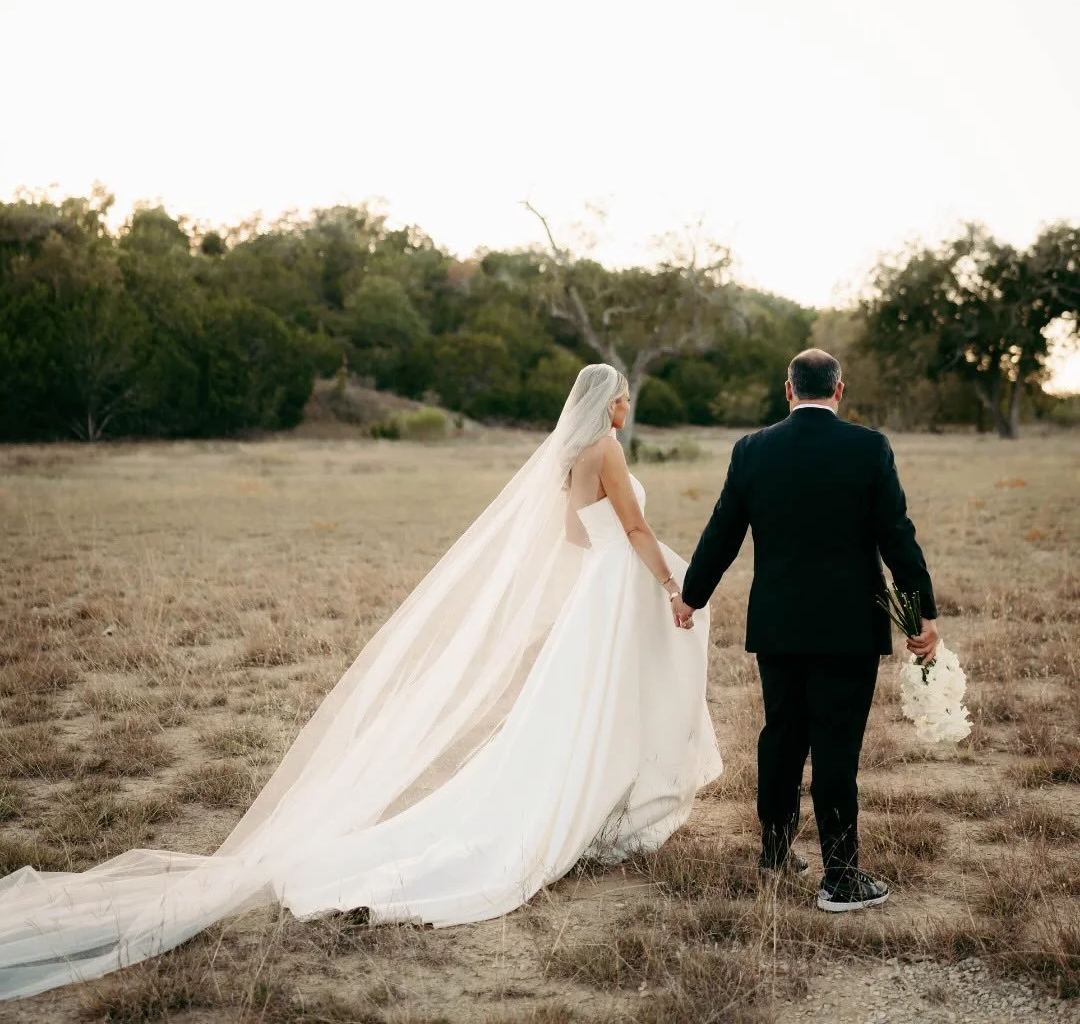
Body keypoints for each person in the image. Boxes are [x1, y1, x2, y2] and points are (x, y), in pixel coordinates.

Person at [0, 364, 720, 1000]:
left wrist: (617, 558)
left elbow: (573, 534)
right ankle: (604, 807)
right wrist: (668, 584)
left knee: (580, 707)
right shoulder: (608, 450)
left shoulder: (572, 457)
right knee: (606, 701)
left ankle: (599, 804)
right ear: (610, 404)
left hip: (598, 586)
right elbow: (634, 530)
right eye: (624, 398)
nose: (627, 406)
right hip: (618, 583)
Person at [672, 349, 939, 913]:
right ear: (839, 390)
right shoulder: (869, 447)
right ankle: (840, 878)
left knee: (782, 737)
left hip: (779, 624)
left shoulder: (752, 450)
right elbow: (897, 534)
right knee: (836, 746)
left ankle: (775, 853)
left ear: (788, 390)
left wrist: (691, 596)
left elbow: (722, 533)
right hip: (850, 627)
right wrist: (924, 614)